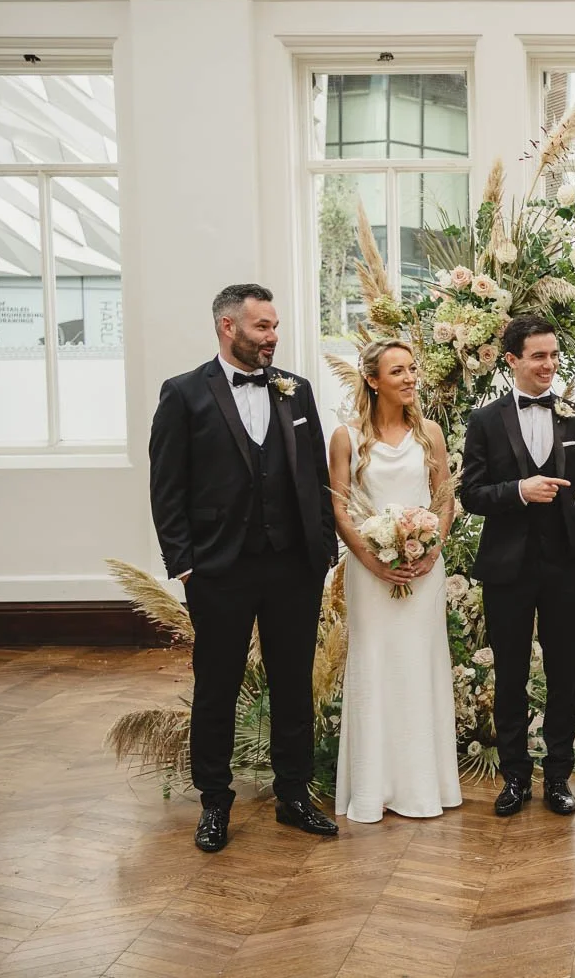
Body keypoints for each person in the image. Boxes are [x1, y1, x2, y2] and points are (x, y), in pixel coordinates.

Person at [148, 283, 339, 853]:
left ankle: (294, 795)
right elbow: (167, 487)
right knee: (217, 688)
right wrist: (184, 566)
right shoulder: (183, 394)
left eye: (275, 327)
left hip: (292, 568)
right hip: (218, 569)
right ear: (227, 327)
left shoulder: (295, 390)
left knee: (292, 685)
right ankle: (214, 802)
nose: (272, 337)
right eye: (262, 327)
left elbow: (315, 475)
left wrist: (323, 550)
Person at [460, 315, 575, 817]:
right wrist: (519, 491)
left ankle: (559, 777)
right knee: (511, 675)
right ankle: (515, 777)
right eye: (539, 356)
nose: (549, 365)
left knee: (566, 673)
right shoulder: (484, 421)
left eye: (554, 354)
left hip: (568, 565)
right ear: (512, 361)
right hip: (508, 568)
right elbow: (471, 493)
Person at [329, 339, 463, 824]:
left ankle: (425, 785)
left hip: (424, 571)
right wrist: (372, 558)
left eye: (412, 370)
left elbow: (444, 497)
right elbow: (340, 507)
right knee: (377, 666)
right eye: (397, 372)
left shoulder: (429, 433)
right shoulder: (347, 437)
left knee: (419, 666)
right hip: (370, 572)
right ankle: (373, 787)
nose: (409, 379)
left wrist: (431, 549)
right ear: (372, 379)